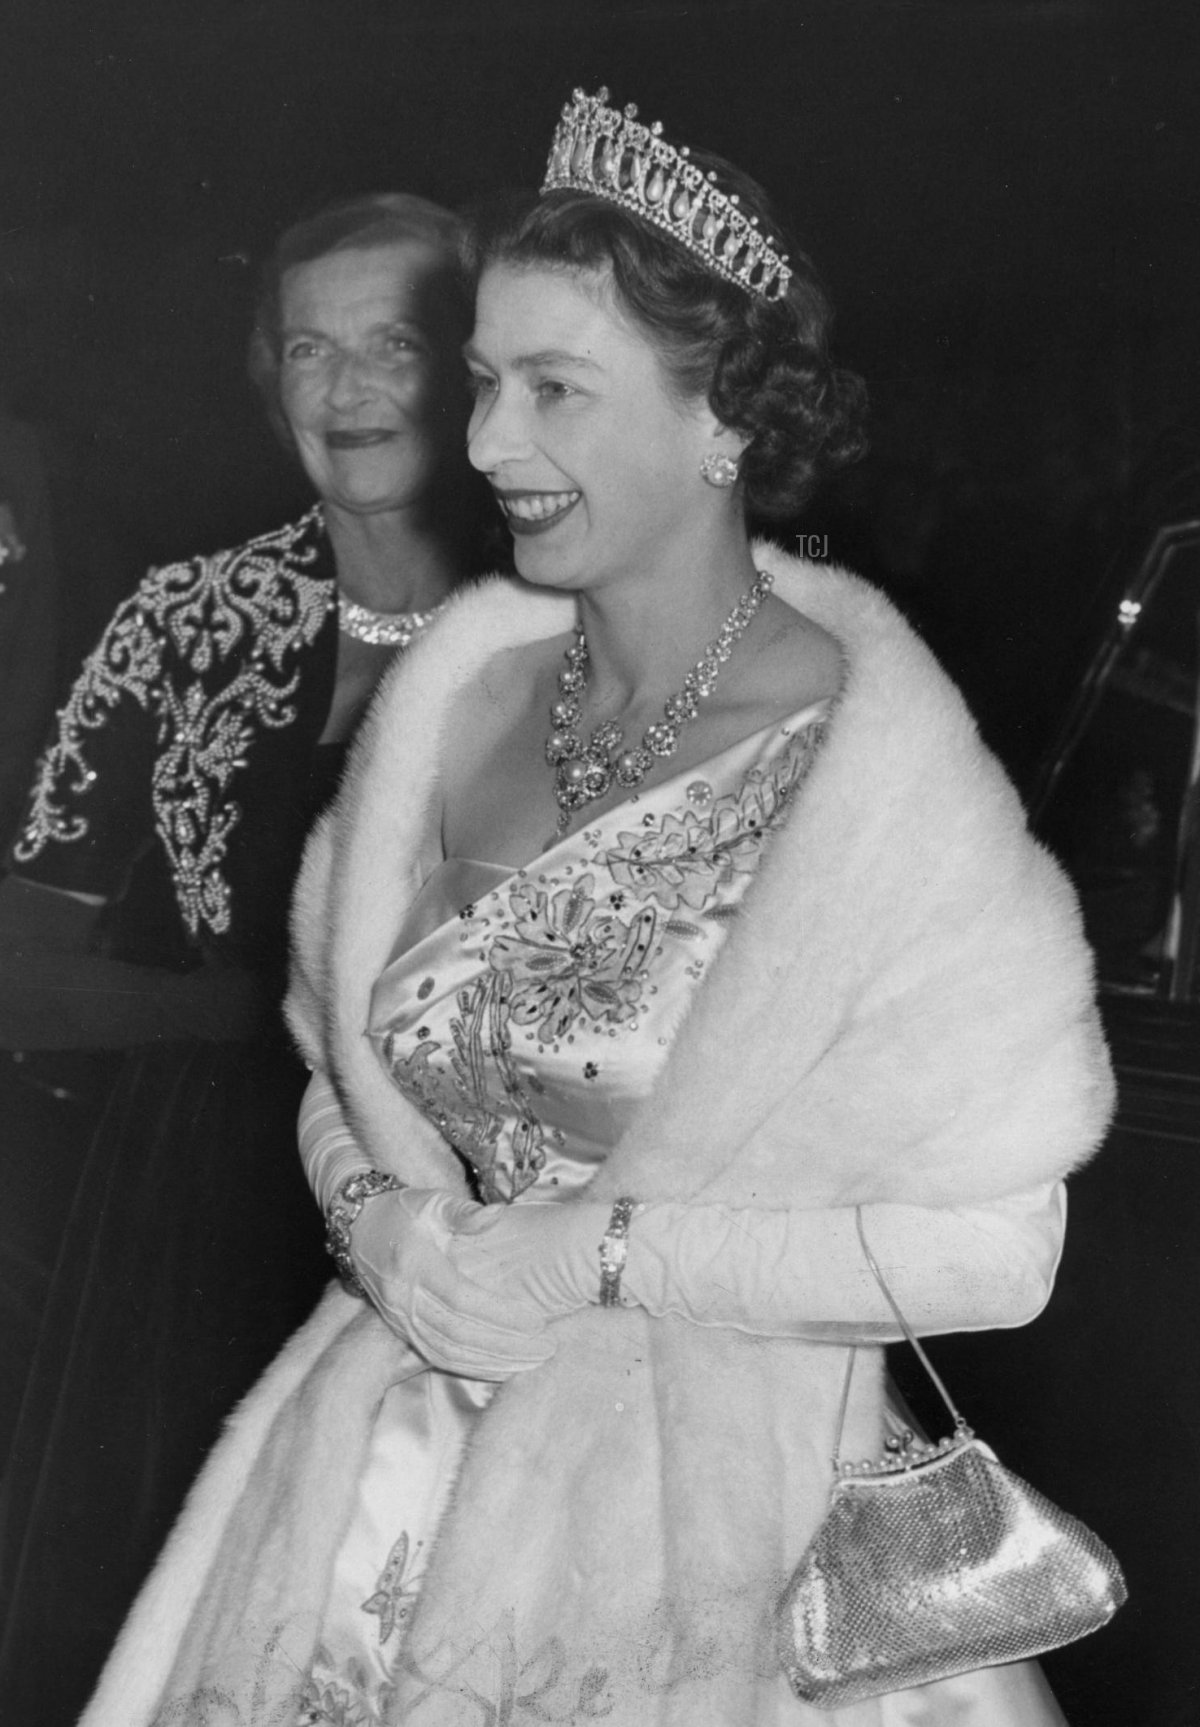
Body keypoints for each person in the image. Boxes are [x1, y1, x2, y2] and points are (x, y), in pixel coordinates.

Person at [81, 92, 1114, 1726]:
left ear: (727, 422)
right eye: (485, 381)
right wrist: (384, 1225)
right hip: (377, 1491)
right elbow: (331, 1078)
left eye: (557, 390)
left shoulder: (872, 769)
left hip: (717, 1539)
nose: (489, 443)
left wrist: (594, 1261)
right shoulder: (456, 699)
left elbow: (1003, 1249)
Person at [0, 191, 488, 1719]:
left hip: (477, 1244)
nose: (345, 392)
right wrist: (251, 1022)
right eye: (307, 350)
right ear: (267, 382)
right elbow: (22, 958)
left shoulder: (562, 622)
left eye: (392, 346)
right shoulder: (185, 620)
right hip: (198, 1225)